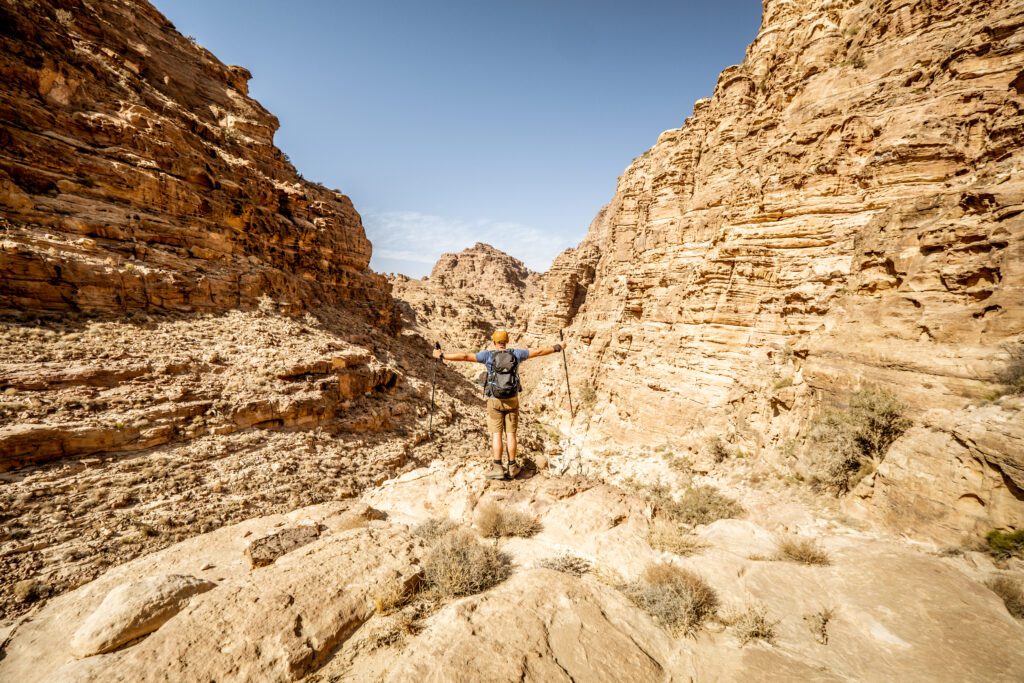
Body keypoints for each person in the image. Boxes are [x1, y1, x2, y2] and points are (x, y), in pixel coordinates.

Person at [433, 329, 563, 479]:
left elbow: (465, 356)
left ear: (494, 342)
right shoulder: (516, 354)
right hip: (512, 399)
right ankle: (513, 466)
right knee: (511, 434)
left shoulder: (487, 355)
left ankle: (498, 468)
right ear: (506, 341)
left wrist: (442, 355)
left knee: (497, 434)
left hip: (494, 400)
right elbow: (539, 351)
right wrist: (558, 346)